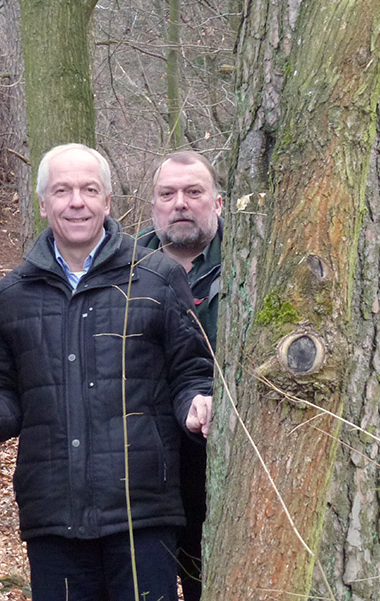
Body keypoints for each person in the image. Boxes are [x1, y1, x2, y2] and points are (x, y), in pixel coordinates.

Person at [0, 143, 214, 601]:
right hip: (54, 516)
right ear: (42, 203)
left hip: (144, 515)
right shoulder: (14, 294)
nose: (76, 201)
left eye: (89, 189)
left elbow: (191, 373)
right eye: (62, 190)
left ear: (107, 201)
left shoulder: (154, 276)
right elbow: (4, 393)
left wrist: (197, 405)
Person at [137, 150, 223, 601]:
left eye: (194, 192)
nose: (180, 203)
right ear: (153, 206)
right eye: (167, 194)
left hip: (224, 466)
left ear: (218, 203)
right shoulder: (123, 269)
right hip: (143, 468)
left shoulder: (252, 263)